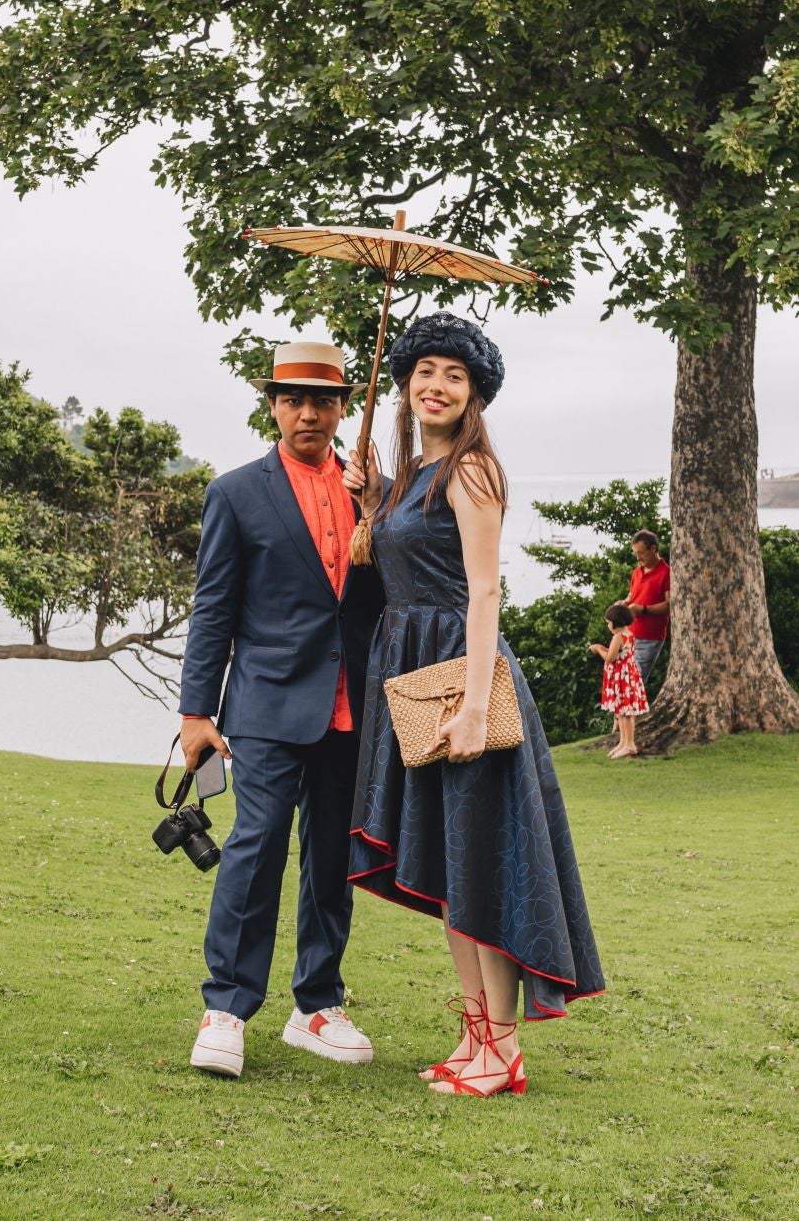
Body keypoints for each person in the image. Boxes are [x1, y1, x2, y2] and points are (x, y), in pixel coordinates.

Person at [343, 312, 604, 1100]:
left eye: (455, 376)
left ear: (475, 394)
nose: (437, 385)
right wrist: (373, 497)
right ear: (404, 385)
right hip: (410, 674)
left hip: (462, 673)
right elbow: (406, 554)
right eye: (425, 371)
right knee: (451, 863)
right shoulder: (413, 478)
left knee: (481, 861)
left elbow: (484, 589)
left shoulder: (473, 471)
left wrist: (473, 705)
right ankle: (476, 1037)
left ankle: (501, 1049)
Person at [178, 341, 386, 1078]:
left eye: (323, 400)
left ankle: (318, 1004)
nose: (308, 413)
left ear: (342, 409)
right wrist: (196, 713)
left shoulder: (376, 492)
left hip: (352, 708)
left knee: (333, 855)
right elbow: (212, 610)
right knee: (256, 845)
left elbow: (394, 596)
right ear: (272, 405)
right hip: (264, 703)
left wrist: (376, 512)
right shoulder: (236, 492)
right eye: (293, 399)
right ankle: (227, 1008)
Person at [589, 604, 648, 757]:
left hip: (622, 677)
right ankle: (623, 742)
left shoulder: (618, 637)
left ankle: (630, 744)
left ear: (615, 621)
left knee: (626, 712)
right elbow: (619, 653)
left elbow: (610, 658)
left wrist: (598, 650)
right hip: (627, 675)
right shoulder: (629, 634)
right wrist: (603, 647)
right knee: (621, 711)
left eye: (608, 622)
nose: (608, 625)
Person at [618, 530, 670, 687]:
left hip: (650, 636)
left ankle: (631, 712)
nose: (638, 558)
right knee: (623, 679)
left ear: (653, 549)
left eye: (641, 553)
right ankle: (626, 712)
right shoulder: (637, 572)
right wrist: (624, 603)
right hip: (630, 633)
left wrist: (643, 609)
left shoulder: (667, 572)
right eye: (636, 554)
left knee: (634, 681)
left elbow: (670, 605)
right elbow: (632, 595)